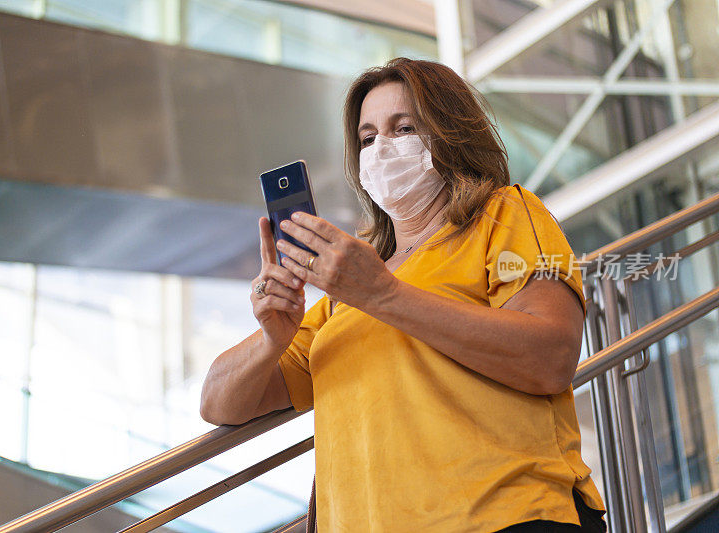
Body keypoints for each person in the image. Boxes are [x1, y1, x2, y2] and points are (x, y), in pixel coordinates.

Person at [200, 58, 608, 532]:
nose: (382, 149)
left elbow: (551, 355)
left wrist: (385, 295)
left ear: (451, 134)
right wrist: (272, 338)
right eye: (368, 137)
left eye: (404, 128)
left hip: (505, 518)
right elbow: (217, 402)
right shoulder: (343, 296)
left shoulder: (505, 213)